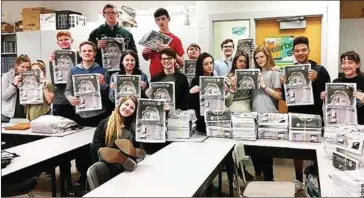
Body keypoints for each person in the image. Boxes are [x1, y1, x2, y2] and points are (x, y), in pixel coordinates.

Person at [280, 36, 331, 191]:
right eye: (297, 51)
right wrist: (283, 85)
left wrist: (317, 81)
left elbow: (326, 94)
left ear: (309, 50)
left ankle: (315, 179)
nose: (300, 53)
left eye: (303, 50)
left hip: (314, 115)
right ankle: (298, 179)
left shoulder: (319, 70)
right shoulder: (289, 71)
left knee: (315, 150)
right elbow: (284, 97)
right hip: (294, 114)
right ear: (293, 53)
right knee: (296, 151)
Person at [64, 41, 110, 189]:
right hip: (81, 115)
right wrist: (70, 98)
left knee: (95, 146)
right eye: (84, 51)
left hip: (99, 114)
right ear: (80, 53)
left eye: (90, 51)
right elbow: (68, 90)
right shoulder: (73, 70)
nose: (87, 53)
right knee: (81, 149)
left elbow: (109, 94)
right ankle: (83, 175)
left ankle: (96, 176)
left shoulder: (102, 70)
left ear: (95, 53)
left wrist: (103, 84)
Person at [143, 48, 189, 154]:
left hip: (175, 118)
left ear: (174, 60)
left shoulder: (182, 78)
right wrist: (147, 95)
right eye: (163, 59)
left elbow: (185, 99)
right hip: (158, 119)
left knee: (175, 151)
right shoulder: (155, 78)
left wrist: (175, 110)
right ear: (161, 61)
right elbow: (151, 102)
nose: (166, 61)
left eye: (169, 58)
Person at [90, 96, 146, 179]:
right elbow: (95, 145)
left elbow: (139, 144)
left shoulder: (134, 126)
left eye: (131, 108)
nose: (127, 108)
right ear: (120, 104)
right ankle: (119, 157)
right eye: (126, 104)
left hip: (130, 164)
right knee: (106, 153)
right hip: (108, 164)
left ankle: (132, 153)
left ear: (134, 112)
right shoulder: (105, 123)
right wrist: (101, 150)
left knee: (131, 142)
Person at [251, 45, 282, 182]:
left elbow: (279, 96)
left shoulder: (274, 72)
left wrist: (264, 86)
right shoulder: (254, 73)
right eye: (256, 58)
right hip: (254, 114)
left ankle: (269, 179)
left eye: (262, 57)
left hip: (269, 114)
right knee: (253, 149)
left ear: (268, 56)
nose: (259, 60)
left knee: (266, 150)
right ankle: (258, 174)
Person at [321, 51, 364, 125]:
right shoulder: (336, 82)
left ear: (357, 65)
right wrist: (325, 98)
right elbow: (330, 106)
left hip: (361, 126)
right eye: (343, 63)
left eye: (350, 63)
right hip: (340, 125)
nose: (346, 66)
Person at [88, 3, 137, 68]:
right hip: (101, 67)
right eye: (107, 13)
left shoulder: (127, 34)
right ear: (103, 15)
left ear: (117, 14)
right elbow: (87, 51)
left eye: (113, 12)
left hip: (122, 68)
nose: (110, 14)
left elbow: (134, 53)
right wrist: (96, 46)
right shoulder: (96, 33)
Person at [49, 31, 82, 124]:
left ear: (71, 40)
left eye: (66, 39)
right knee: (61, 127)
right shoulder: (54, 57)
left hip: (76, 99)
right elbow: (54, 81)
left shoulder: (80, 55)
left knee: (78, 127)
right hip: (61, 99)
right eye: (61, 40)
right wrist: (52, 63)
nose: (63, 41)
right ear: (58, 43)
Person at [142, 8, 185, 78]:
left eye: (163, 18)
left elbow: (182, 63)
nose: (161, 22)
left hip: (170, 76)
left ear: (168, 19)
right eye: (158, 19)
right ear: (155, 21)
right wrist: (144, 53)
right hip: (154, 76)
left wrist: (170, 50)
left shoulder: (176, 40)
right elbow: (146, 58)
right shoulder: (152, 38)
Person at [2, 54, 31, 122]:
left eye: (27, 67)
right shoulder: (6, 76)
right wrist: (14, 85)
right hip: (7, 116)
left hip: (24, 115)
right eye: (22, 67)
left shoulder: (30, 77)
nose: (25, 69)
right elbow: (3, 97)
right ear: (16, 66)